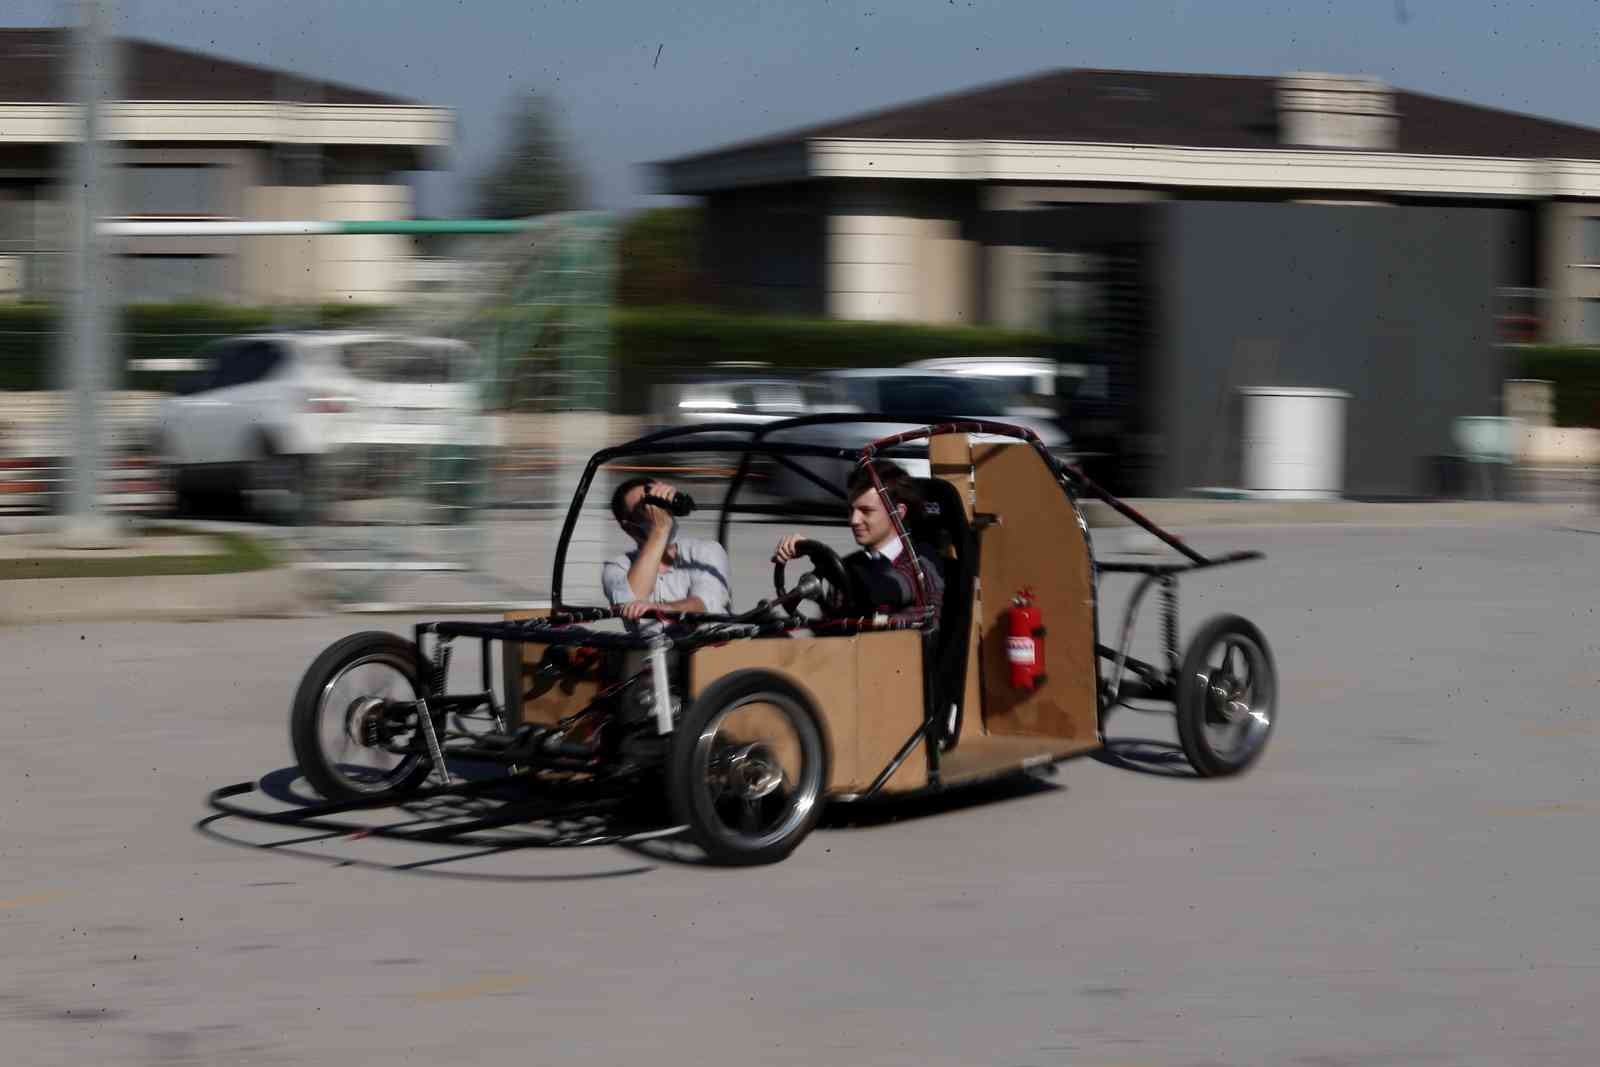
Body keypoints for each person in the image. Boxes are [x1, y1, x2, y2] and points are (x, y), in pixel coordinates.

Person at [773, 459, 944, 621]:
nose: (854, 520)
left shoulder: (922, 563)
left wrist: (818, 556)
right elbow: (829, 631)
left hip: (906, 642)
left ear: (898, 512)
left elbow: (880, 589)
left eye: (866, 511)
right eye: (851, 510)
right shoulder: (849, 566)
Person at [601, 477, 732, 624]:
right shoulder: (617, 568)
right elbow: (629, 603)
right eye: (645, 509)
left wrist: (659, 609)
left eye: (658, 504)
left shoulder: (706, 551)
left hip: (710, 638)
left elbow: (704, 605)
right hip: (652, 640)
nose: (658, 512)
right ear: (629, 527)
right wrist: (659, 530)